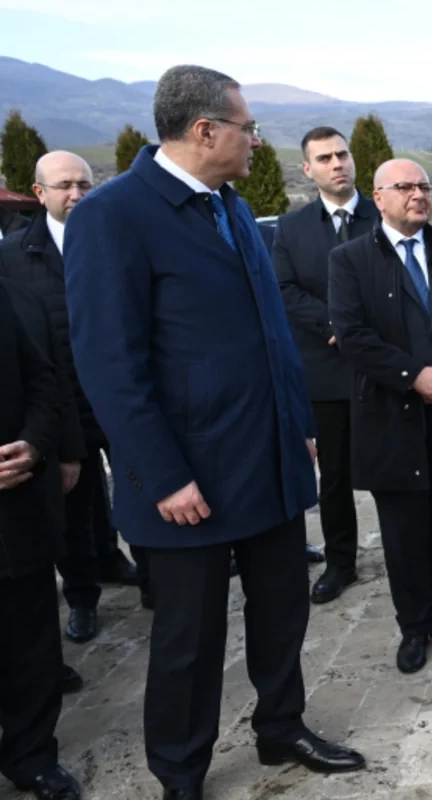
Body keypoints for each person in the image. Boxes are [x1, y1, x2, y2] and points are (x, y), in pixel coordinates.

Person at [63, 64, 365, 799]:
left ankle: (280, 727)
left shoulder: (229, 206)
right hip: (186, 481)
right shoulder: (114, 216)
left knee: (282, 610)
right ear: (205, 131)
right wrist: (162, 474)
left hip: (267, 461)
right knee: (187, 641)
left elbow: (269, 337)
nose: (256, 141)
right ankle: (181, 771)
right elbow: (109, 365)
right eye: (247, 128)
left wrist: (298, 428)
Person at [328, 158, 432, 673]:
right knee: (403, 533)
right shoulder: (350, 260)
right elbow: (353, 336)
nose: (418, 194)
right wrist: (414, 375)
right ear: (378, 197)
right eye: (405, 187)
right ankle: (413, 625)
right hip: (392, 420)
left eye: (424, 186)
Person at [0, 151, 142, 647]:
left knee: (141, 492)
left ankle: (150, 579)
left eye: (84, 183)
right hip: (63, 409)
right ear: (39, 194)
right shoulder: (14, 257)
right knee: (74, 513)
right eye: (64, 185)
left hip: (123, 399)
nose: (76, 194)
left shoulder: (117, 242)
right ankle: (82, 598)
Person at [273, 125, 379, 602]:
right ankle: (341, 563)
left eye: (342, 155)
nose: (337, 164)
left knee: (396, 470)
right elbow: (286, 290)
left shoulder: (385, 216)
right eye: (325, 158)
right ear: (308, 169)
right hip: (327, 370)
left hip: (384, 369)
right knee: (334, 477)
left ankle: (410, 554)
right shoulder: (291, 230)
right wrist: (335, 324)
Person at [0, 278, 84, 800]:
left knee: (29, 642)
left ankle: (31, 755)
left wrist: (34, 444)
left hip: (16, 508)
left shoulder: (7, 293)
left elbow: (43, 379)